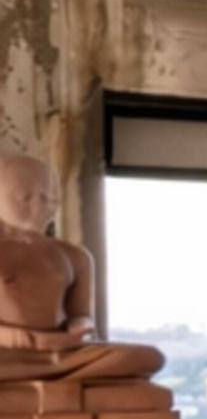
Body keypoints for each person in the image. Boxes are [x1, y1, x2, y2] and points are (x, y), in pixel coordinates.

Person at [0, 151, 166, 386]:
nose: (39, 205)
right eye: (25, 197)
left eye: (47, 197)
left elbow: (82, 317)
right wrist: (26, 340)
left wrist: (79, 330)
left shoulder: (75, 256)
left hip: (61, 354)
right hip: (8, 353)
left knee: (148, 357)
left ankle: (50, 375)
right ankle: (50, 377)